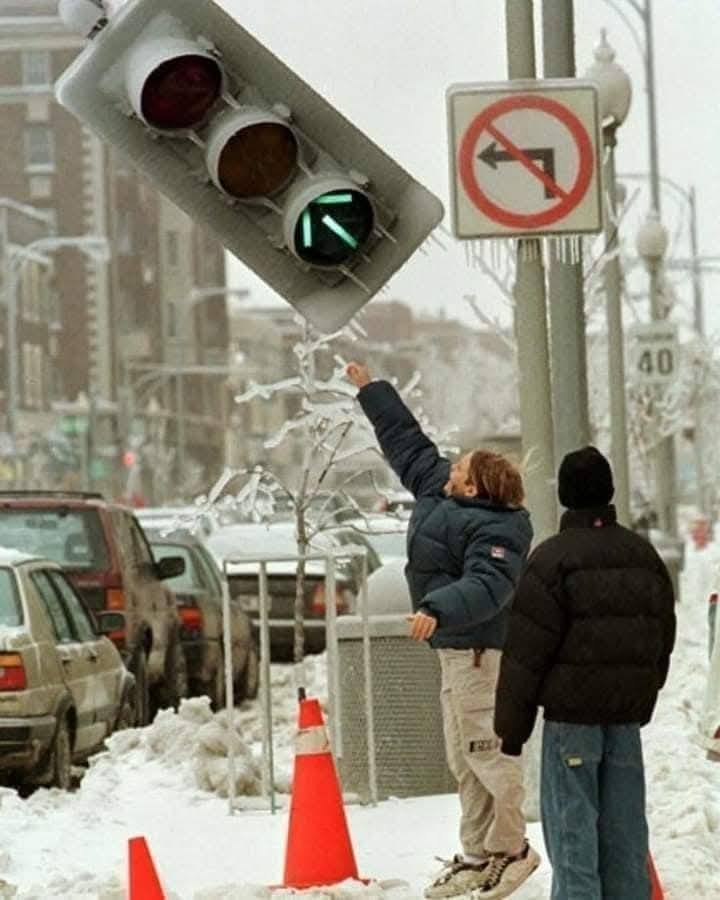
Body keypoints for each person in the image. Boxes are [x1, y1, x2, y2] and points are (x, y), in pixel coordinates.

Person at [346, 361, 540, 900]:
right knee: (463, 758)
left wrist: (435, 606)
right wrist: (372, 392)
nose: (448, 467)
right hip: (454, 653)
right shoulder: (441, 493)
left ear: (474, 485)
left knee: (489, 754)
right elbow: (409, 446)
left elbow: (488, 585)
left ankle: (514, 850)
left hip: (482, 652)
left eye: (459, 468)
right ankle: (477, 854)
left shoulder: (502, 528)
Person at [494, 446, 676, 900]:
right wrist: (644, 694)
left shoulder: (552, 560)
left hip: (571, 723)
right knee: (625, 838)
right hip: (624, 721)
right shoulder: (642, 555)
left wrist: (511, 730)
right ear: (609, 491)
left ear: (567, 497)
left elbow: (526, 652)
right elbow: (661, 635)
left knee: (575, 840)